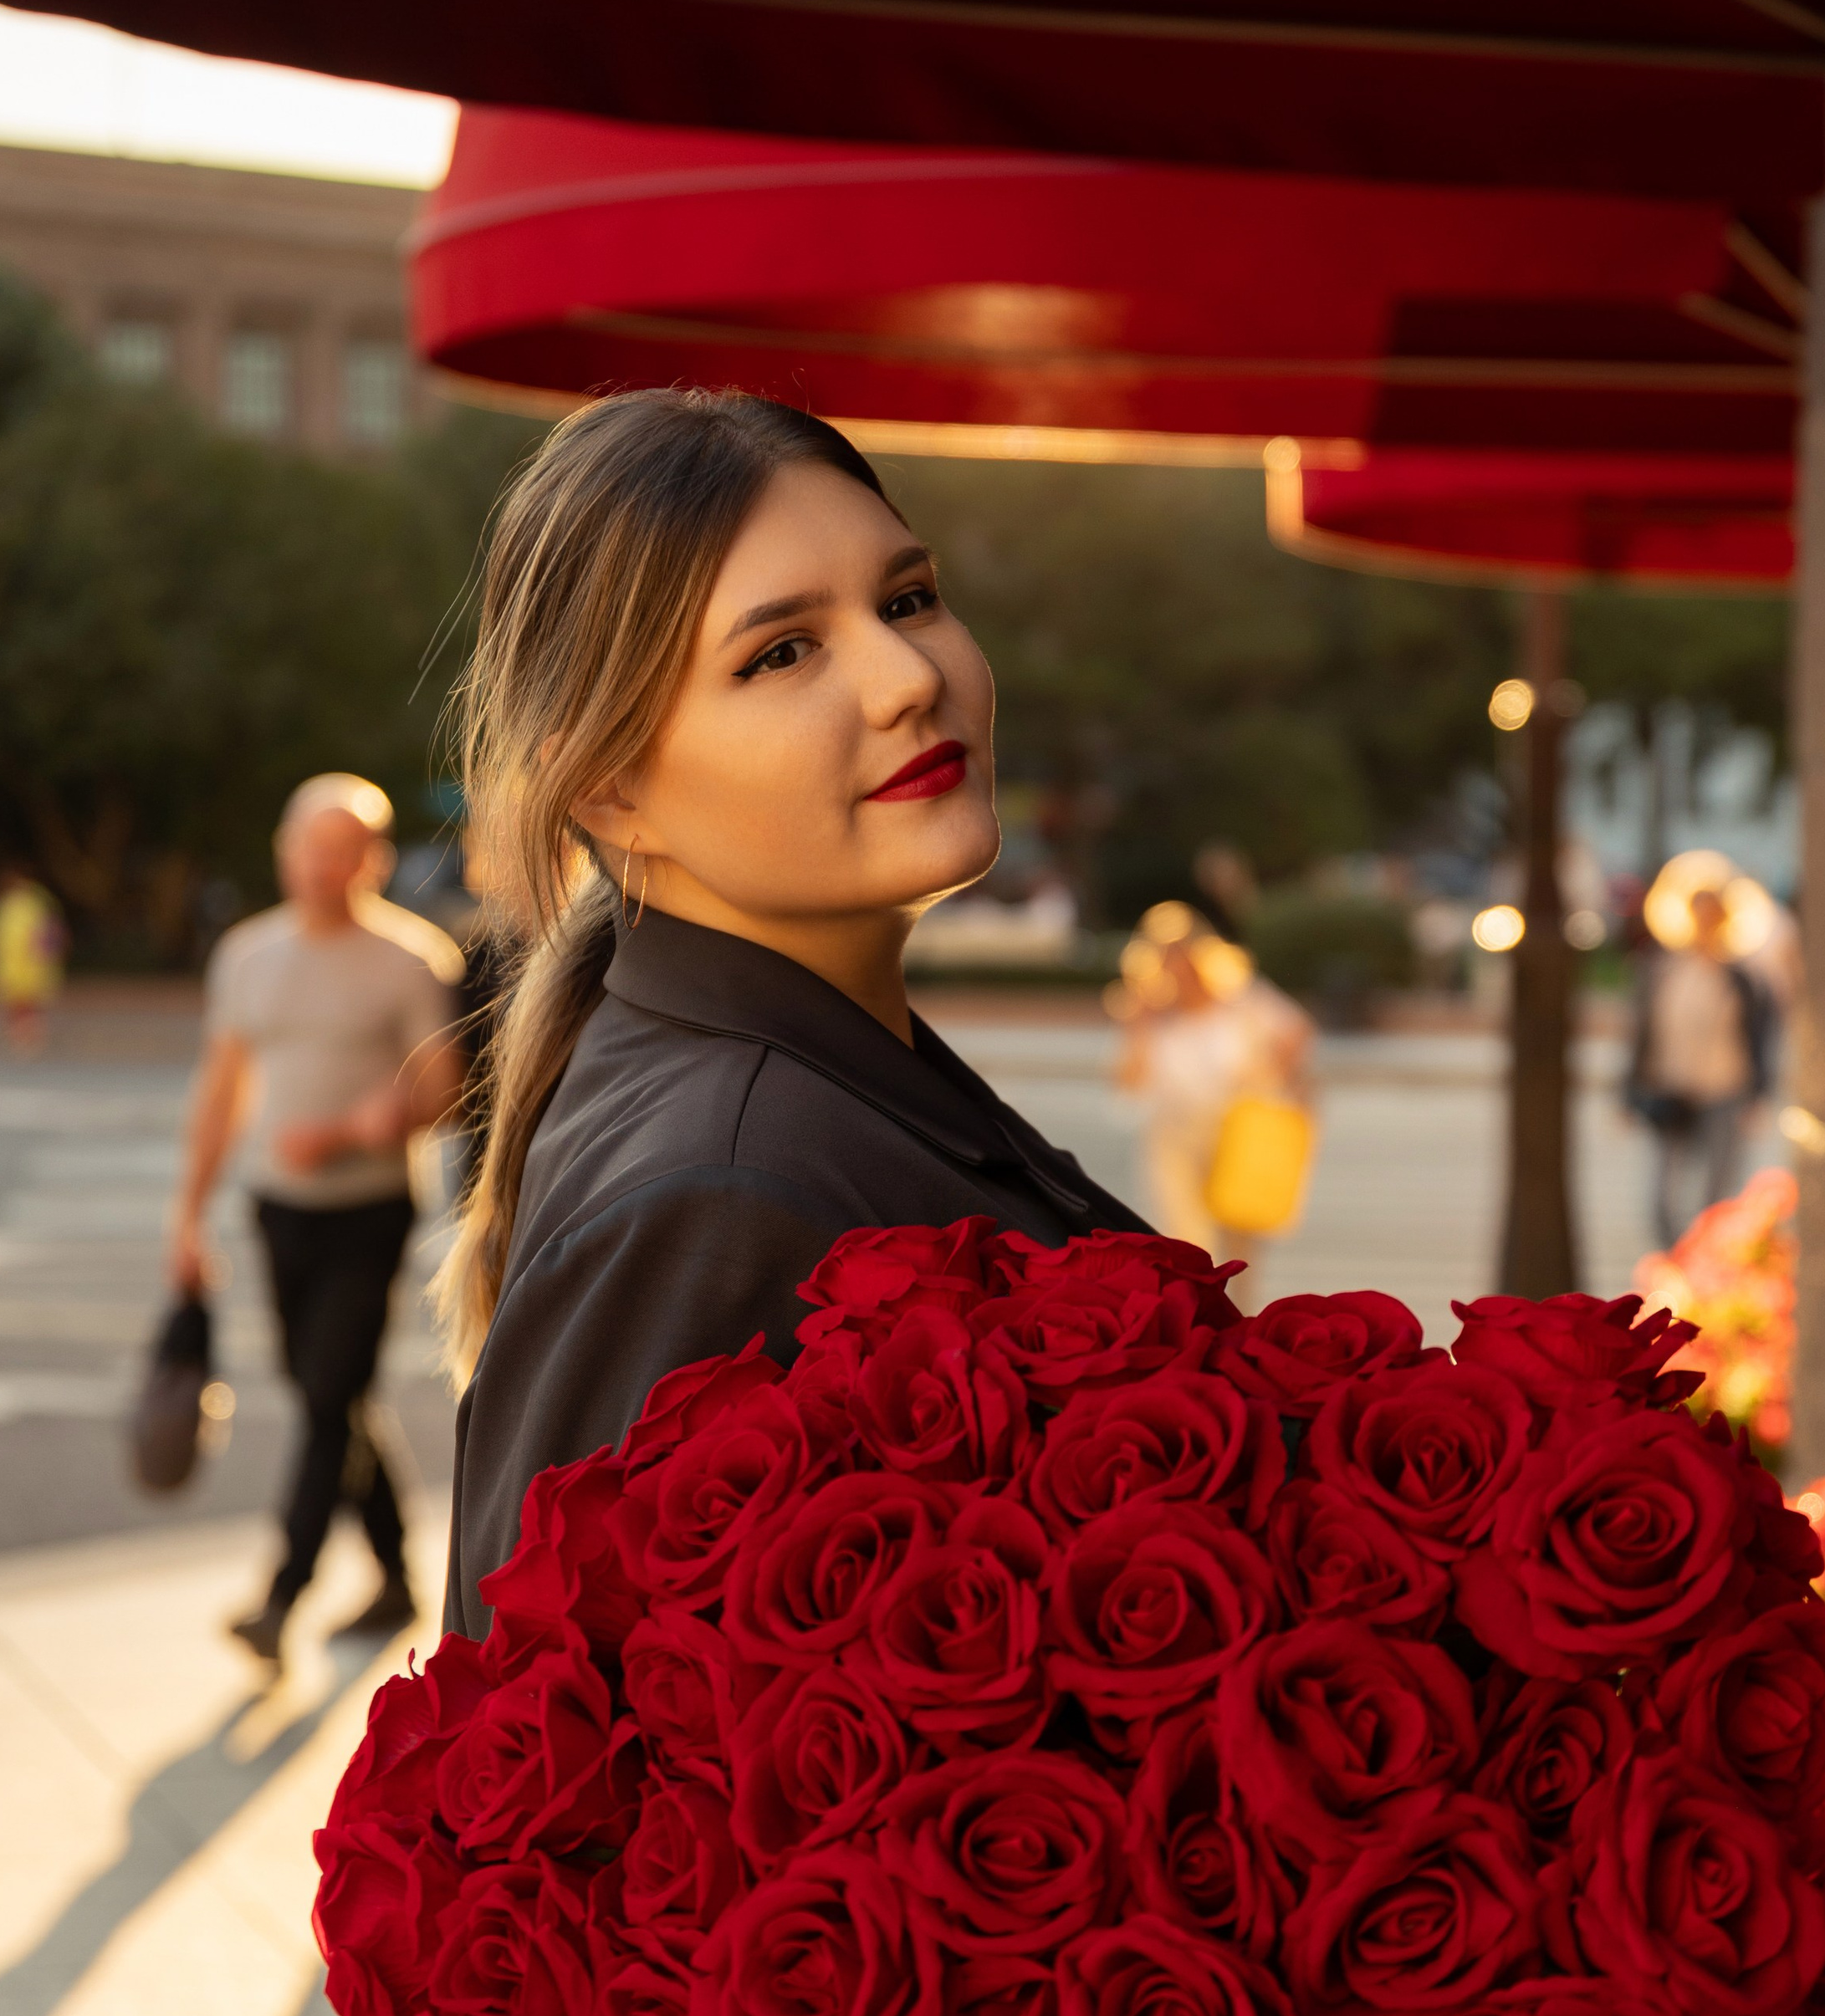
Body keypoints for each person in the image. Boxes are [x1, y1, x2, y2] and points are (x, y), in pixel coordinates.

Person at [436, 390, 1143, 1640]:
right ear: (607, 789)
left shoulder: (814, 1079)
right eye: (781, 653)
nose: (908, 678)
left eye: (908, 598)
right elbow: (548, 1790)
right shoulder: (720, 1192)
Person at [170, 776, 464, 1663]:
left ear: (372, 860)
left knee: (328, 1395)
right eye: (309, 846)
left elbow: (446, 1088)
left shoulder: (415, 959)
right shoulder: (247, 955)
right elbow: (219, 1090)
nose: (323, 866)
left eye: (344, 850)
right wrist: (186, 1215)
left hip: (368, 1210)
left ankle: (282, 1595)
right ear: (283, 849)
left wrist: (353, 1128)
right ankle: (398, 1578)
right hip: (275, 1210)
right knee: (328, 1393)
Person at [1111, 902, 1315, 1306]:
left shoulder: (1243, 1001)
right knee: (1187, 1240)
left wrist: (1274, 1077)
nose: (1177, 968)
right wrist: (1138, 1027)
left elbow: (1297, 1034)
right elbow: (1128, 1085)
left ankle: (1238, 1316)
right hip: (1175, 1136)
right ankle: (1198, 1315)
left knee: (1242, 1241)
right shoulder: (1151, 1016)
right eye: (1167, 959)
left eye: (1184, 956)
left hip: (1240, 1132)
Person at [1628, 882, 1772, 1245]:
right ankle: (1674, 1257)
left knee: (1718, 1190)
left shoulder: (1742, 977)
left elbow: (1758, 1036)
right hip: (1673, 1089)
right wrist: (1631, 1089)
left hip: (1725, 1088)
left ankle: (1706, 1262)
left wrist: (1759, 1093)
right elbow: (1644, 1032)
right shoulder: (1665, 971)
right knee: (1664, 1191)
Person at [0, 865, 67, 1057]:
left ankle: (27, 1037)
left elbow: (50, 934)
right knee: (18, 1002)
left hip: (28, 963)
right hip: (17, 963)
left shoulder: (30, 903)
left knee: (26, 1002)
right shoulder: (21, 903)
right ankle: (23, 1036)